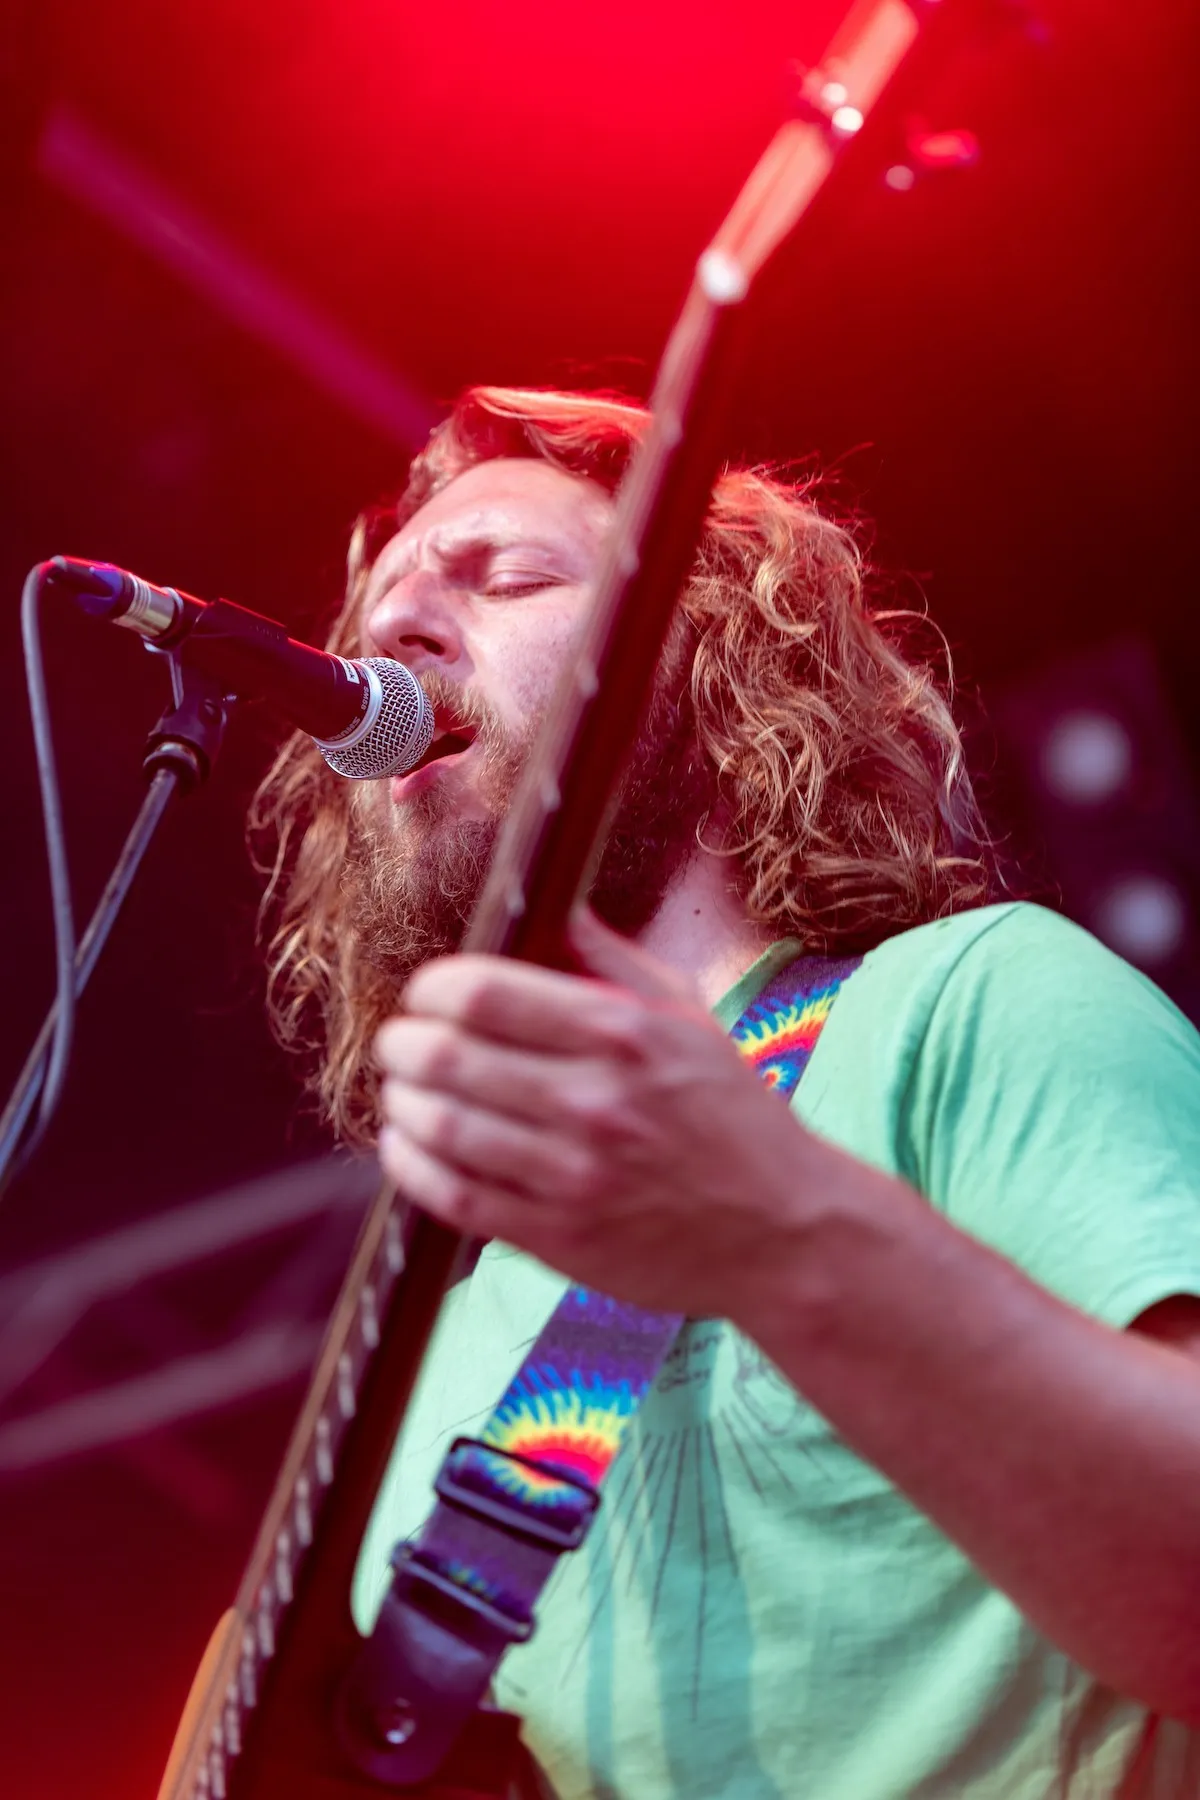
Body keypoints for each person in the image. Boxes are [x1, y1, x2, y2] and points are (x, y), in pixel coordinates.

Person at [250, 387, 1200, 1799]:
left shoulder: (973, 1003)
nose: (389, 633)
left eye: (504, 577)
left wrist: (783, 1232)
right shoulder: (425, 1351)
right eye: (376, 611)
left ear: (708, 663)